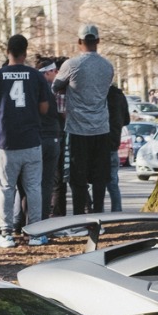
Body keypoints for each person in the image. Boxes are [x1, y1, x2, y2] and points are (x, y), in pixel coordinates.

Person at [0, 34, 53, 248]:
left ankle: (6, 234)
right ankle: (36, 233)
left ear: (7, 51)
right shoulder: (36, 76)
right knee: (33, 188)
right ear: (25, 52)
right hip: (31, 139)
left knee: (6, 188)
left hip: (5, 141)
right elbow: (44, 108)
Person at [52, 24, 114, 214]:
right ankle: (98, 215)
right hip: (101, 128)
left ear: (79, 42)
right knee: (99, 178)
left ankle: (79, 217)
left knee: (77, 178)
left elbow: (55, 87)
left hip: (77, 129)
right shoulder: (108, 66)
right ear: (98, 41)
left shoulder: (71, 65)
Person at [37, 59, 66, 218]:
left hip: (35, 138)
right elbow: (62, 113)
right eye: (55, 71)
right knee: (51, 181)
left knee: (32, 182)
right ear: (47, 72)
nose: (57, 74)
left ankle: (26, 219)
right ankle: (46, 216)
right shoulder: (54, 90)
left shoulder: (32, 87)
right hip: (52, 136)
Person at [100, 84, 130, 213]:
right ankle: (117, 212)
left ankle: (98, 211)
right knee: (113, 182)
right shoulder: (119, 95)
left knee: (96, 182)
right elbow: (127, 120)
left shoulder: (99, 93)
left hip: (99, 142)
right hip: (114, 142)